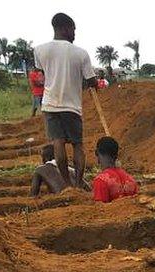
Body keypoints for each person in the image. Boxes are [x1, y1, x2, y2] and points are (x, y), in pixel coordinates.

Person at [34, 13, 97, 190]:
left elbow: (43, 74)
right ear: (64, 28)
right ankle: (77, 183)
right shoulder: (81, 53)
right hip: (72, 106)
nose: (74, 33)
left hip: (50, 104)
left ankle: (67, 185)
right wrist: (94, 83)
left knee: (58, 142)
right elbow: (91, 80)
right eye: (73, 29)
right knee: (77, 144)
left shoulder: (39, 50)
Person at [92, 136, 138, 203]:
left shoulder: (101, 181)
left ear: (97, 153)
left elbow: (100, 210)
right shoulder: (131, 180)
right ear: (116, 156)